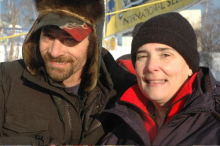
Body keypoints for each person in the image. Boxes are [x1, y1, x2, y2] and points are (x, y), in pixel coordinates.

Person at [0, 0, 136, 145]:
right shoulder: (6, 78)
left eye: (70, 39)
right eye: (49, 36)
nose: (54, 52)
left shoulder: (124, 95)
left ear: (93, 43)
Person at [99, 12, 220, 145]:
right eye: (142, 56)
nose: (151, 66)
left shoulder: (214, 120)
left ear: (190, 66)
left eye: (165, 55)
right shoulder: (117, 122)